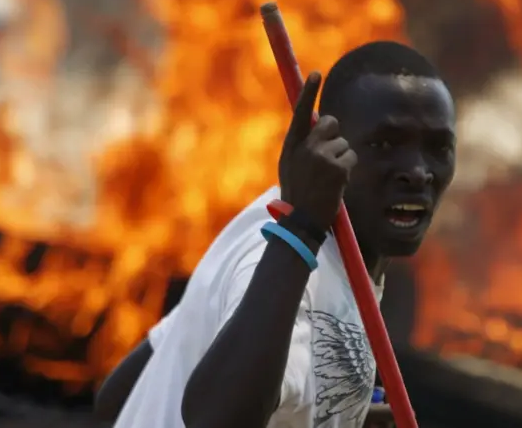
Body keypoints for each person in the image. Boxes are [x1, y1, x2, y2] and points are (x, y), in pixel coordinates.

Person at [94, 40, 456, 428]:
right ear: (327, 147)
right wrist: (301, 229)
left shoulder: (263, 224)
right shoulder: (289, 261)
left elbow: (121, 395)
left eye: (438, 147)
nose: (418, 171)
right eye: (384, 143)